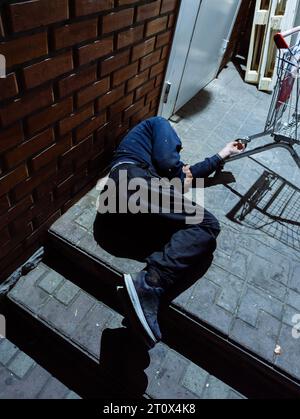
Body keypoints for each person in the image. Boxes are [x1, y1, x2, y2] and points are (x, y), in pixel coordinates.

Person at [94, 116, 245, 348]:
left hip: (116, 230)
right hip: (129, 186)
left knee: (199, 253)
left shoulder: (155, 162)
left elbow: (183, 174)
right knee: (206, 225)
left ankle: (141, 314)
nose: (178, 155)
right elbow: (171, 166)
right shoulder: (159, 124)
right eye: (177, 150)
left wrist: (222, 155)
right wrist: (179, 173)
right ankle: (148, 285)